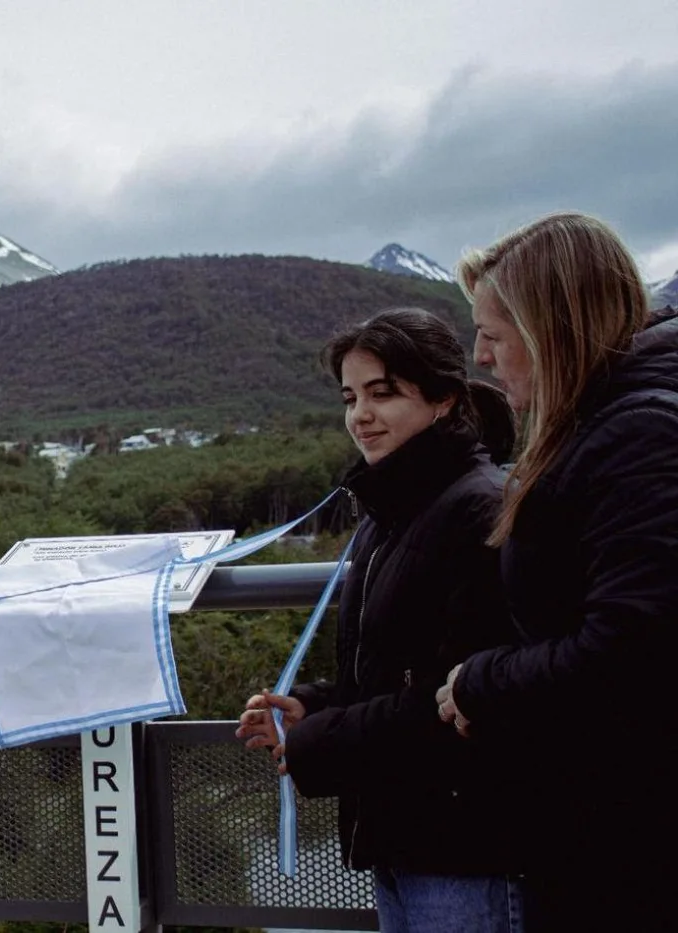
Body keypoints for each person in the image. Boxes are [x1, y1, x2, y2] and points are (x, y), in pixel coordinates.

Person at [236, 308, 523, 932]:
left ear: (444, 399)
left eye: (382, 393)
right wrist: (313, 705)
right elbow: (394, 668)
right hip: (405, 835)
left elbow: (462, 695)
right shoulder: (390, 514)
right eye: (350, 397)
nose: (359, 415)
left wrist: (321, 741)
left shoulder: (478, 511)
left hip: (466, 844)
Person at [434, 212, 678, 930]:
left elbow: (634, 648)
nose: (480, 357)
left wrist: (482, 681)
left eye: (494, 335)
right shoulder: (611, 426)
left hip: (632, 841)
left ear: (550, 334)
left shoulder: (640, 437)